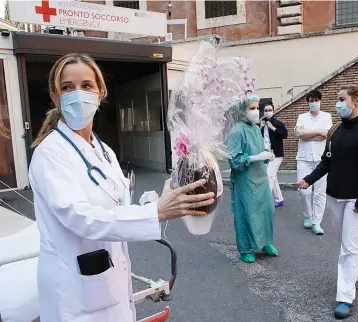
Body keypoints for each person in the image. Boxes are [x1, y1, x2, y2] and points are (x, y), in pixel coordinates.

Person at [28, 53, 215, 322]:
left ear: (100, 94)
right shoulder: (50, 154)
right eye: (68, 87)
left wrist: (166, 197)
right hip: (75, 292)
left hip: (109, 282)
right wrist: (155, 213)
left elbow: (117, 208)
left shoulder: (103, 151)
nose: (77, 94)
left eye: (86, 86)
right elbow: (80, 218)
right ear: (55, 97)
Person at [297, 85, 358, 319]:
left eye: (342, 99)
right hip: (334, 196)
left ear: (357, 101)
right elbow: (326, 162)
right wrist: (308, 180)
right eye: (337, 100)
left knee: (348, 248)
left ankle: (345, 297)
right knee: (347, 242)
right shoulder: (335, 131)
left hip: (355, 199)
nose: (338, 104)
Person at [227, 94, 278, 264]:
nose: (257, 111)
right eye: (252, 108)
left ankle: (264, 243)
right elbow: (234, 161)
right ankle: (245, 248)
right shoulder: (236, 131)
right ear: (242, 111)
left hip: (261, 177)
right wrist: (255, 158)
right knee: (246, 213)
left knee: (266, 210)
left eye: (257, 107)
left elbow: (260, 148)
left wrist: (266, 155)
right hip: (245, 180)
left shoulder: (256, 128)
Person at [294, 90, 333, 235]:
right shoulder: (302, 117)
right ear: (308, 102)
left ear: (320, 101)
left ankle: (317, 222)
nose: (314, 103)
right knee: (303, 190)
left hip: (321, 159)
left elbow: (326, 135)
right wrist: (318, 132)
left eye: (316, 100)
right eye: (311, 101)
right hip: (304, 158)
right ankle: (307, 216)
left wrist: (308, 134)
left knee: (319, 192)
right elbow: (299, 134)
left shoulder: (327, 116)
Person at [260, 103, 288, 208]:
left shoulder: (277, 123)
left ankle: (266, 201)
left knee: (268, 177)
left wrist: (273, 128)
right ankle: (279, 199)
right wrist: (260, 127)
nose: (268, 112)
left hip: (276, 154)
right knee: (273, 177)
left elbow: (285, 134)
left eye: (269, 110)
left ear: (273, 111)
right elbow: (257, 138)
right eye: (266, 110)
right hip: (266, 154)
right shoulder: (261, 124)